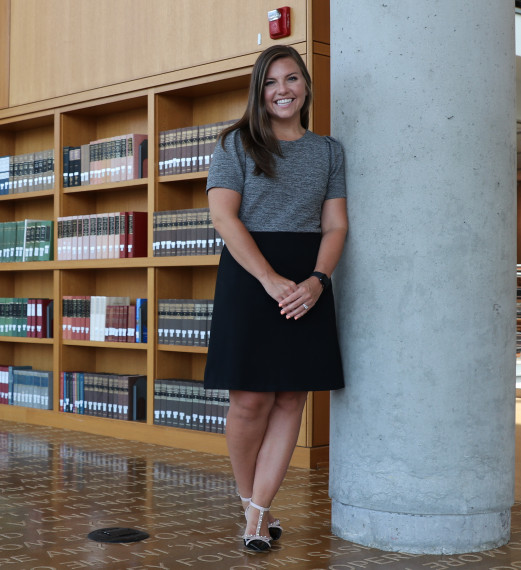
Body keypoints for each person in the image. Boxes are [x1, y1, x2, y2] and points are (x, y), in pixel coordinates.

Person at [203, 44, 347, 552]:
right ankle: (253, 505)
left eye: (290, 79)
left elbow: (335, 225)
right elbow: (224, 219)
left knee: (291, 398)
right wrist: (268, 279)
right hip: (250, 277)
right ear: (259, 92)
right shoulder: (235, 144)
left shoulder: (329, 151)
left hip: (307, 281)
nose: (282, 90)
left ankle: (257, 519)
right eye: (271, 82)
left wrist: (316, 281)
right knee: (248, 401)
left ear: (305, 85)